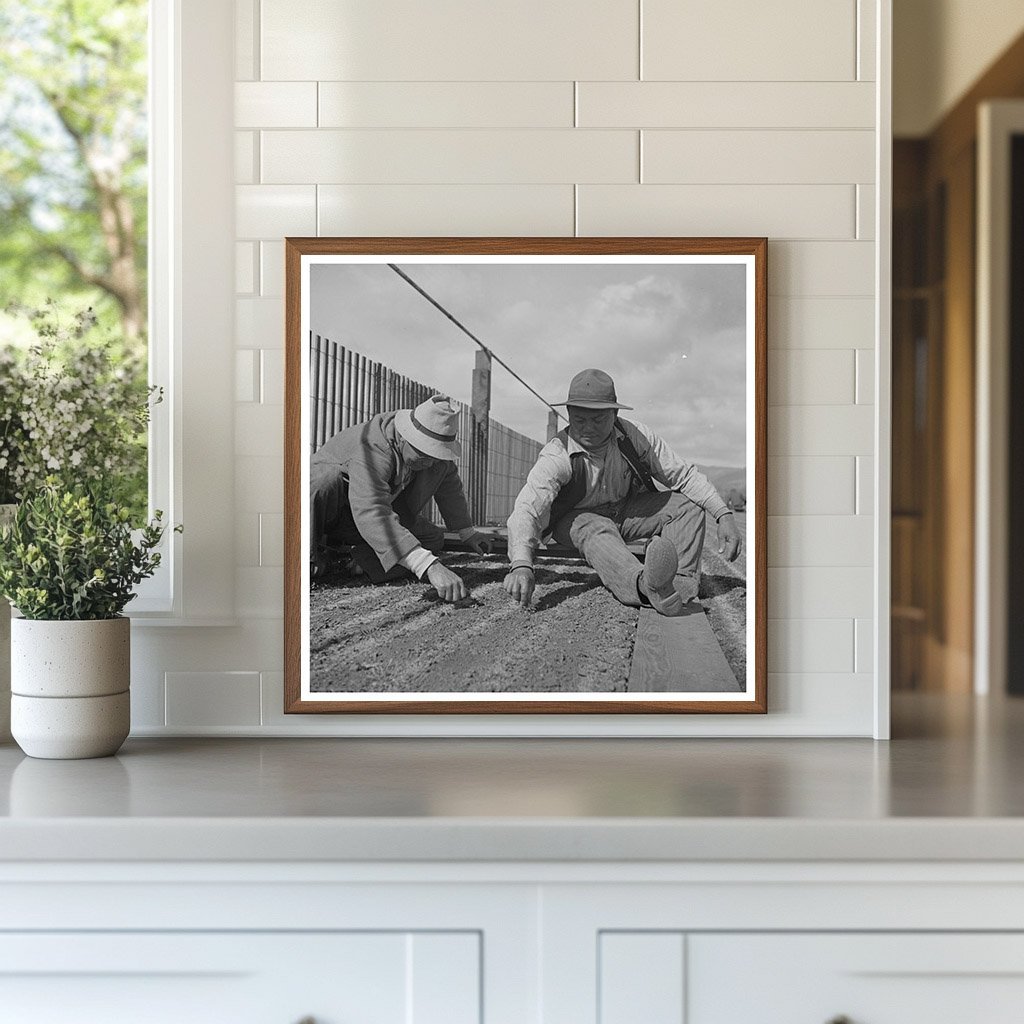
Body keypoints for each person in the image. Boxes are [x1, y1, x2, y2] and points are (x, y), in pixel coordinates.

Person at [504, 368, 741, 616]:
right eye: (579, 420)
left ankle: (677, 584)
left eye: (597, 420)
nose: (588, 428)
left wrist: (723, 514)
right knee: (595, 527)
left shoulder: (634, 436)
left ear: (614, 414)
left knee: (687, 506)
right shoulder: (557, 455)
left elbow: (683, 475)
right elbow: (527, 508)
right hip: (577, 519)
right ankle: (644, 585)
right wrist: (521, 564)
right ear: (568, 414)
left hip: (626, 510)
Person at [310, 394, 491, 603]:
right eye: (425, 456)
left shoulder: (431, 457)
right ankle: (309, 556)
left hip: (362, 520)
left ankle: (346, 558)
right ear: (405, 437)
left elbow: (449, 485)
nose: (430, 463)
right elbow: (372, 509)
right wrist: (429, 566)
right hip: (331, 513)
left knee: (432, 539)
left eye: (436, 456)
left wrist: (467, 533)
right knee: (323, 480)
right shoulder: (372, 447)